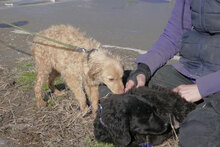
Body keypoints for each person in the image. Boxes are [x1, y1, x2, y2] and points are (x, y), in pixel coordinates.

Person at [125, 0, 220, 146]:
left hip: (215, 83)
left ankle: (195, 119)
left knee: (197, 135)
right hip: (189, 71)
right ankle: (182, 116)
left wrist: (202, 88)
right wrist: (143, 69)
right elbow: (173, 36)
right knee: (124, 92)